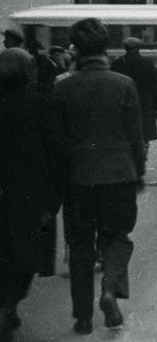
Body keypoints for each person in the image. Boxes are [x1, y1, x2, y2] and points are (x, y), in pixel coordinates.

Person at [52, 18, 146, 335]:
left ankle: (83, 317)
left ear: (76, 50)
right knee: (117, 237)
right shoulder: (123, 84)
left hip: (77, 179)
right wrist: (139, 172)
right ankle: (110, 290)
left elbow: (58, 140)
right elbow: (136, 136)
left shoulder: (62, 87)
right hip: (119, 175)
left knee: (80, 246)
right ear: (107, 49)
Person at [0, 48, 68, 340]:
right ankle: (10, 304)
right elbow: (58, 153)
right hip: (33, 198)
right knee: (27, 255)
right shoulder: (43, 105)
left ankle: (5, 305)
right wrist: (55, 196)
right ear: (29, 73)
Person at [110, 37, 157, 150]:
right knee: (144, 133)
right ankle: (143, 156)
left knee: (125, 132)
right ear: (139, 48)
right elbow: (154, 86)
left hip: (123, 101)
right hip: (143, 102)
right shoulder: (147, 63)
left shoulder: (117, 63)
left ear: (125, 48)